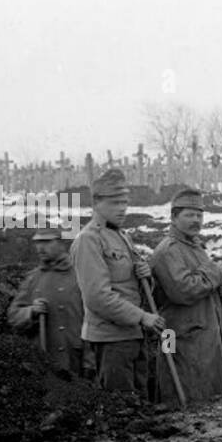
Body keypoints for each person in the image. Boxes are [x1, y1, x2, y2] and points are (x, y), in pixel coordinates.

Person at [70, 168, 167, 398]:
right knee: (123, 406)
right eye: (115, 202)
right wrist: (142, 317)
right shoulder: (89, 240)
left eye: (125, 202)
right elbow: (97, 298)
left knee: (140, 400)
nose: (122, 208)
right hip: (111, 339)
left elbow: (130, 287)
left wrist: (144, 276)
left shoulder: (122, 235)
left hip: (133, 335)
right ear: (96, 202)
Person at [148, 187, 222, 406]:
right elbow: (183, 291)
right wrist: (215, 274)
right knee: (178, 389)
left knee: (209, 395)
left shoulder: (195, 245)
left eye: (199, 215)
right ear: (174, 217)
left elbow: (205, 281)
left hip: (201, 332)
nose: (196, 220)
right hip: (175, 334)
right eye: (189, 215)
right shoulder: (169, 250)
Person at [7, 227, 86, 379]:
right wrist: (30, 311)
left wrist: (90, 360)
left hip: (76, 359)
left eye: (47, 242)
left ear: (61, 243)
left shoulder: (81, 276)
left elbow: (96, 318)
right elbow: (13, 316)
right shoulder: (32, 279)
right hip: (44, 362)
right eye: (37, 242)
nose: (40, 248)